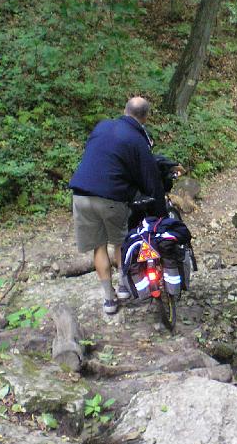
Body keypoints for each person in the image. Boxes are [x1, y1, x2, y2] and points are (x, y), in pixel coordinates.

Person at [69, 97, 167, 315]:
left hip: (81, 194)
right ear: (145, 118)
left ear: (124, 110)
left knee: (99, 246)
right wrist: (160, 214)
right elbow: (150, 178)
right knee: (120, 243)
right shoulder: (137, 139)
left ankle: (108, 300)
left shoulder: (102, 126)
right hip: (111, 197)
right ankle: (123, 288)